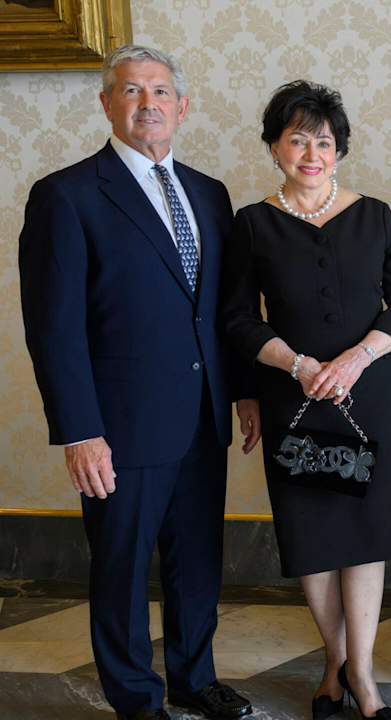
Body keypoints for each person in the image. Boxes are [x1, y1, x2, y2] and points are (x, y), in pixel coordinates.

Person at [18, 45, 253, 720]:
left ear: (183, 106)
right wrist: (80, 431)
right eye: (130, 91)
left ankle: (194, 677)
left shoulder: (210, 194)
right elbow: (53, 330)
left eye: (159, 92)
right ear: (106, 105)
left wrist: (240, 391)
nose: (147, 103)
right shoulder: (66, 195)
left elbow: (222, 309)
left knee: (197, 562)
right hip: (119, 425)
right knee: (121, 567)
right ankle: (135, 695)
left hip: (202, 413)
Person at [220, 80, 391, 720]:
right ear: (275, 147)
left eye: (325, 141)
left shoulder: (376, 213)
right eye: (298, 139)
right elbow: (236, 320)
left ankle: (359, 673)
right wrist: (300, 365)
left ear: (340, 149)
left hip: (372, 398)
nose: (313, 153)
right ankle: (331, 660)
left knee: (365, 536)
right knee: (314, 538)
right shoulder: (251, 224)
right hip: (295, 398)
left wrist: (358, 357)